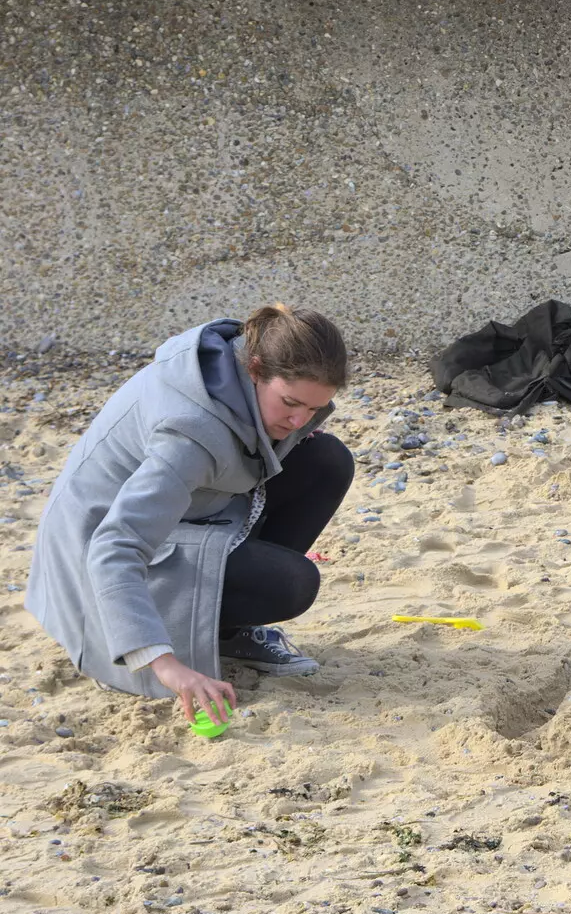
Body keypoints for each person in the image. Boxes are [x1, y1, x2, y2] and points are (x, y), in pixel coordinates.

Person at [25, 305, 354, 724]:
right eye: (290, 403)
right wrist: (165, 665)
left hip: (176, 514)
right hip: (93, 558)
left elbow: (278, 432)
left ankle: (226, 632)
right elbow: (114, 547)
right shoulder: (188, 434)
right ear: (255, 368)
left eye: (313, 409)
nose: (298, 419)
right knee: (291, 582)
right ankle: (195, 629)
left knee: (325, 459)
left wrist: (295, 426)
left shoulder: (235, 361)